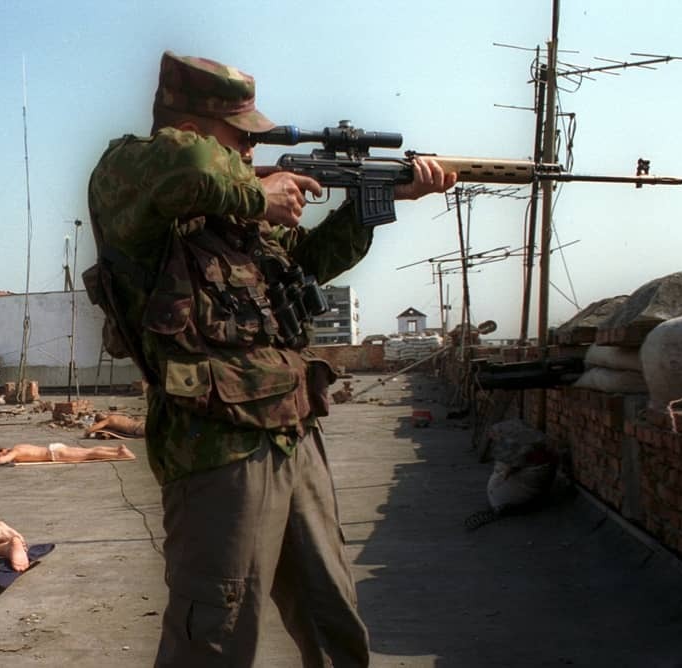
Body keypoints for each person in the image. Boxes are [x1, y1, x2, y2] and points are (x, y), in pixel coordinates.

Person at [86, 51, 455, 666]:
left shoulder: (240, 214)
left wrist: (375, 200)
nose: (252, 152)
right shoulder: (135, 176)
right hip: (214, 450)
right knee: (215, 633)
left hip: (293, 431)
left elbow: (309, 264)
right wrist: (259, 193)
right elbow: (186, 165)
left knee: (332, 614)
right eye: (242, 137)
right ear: (193, 124)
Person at [0, 442, 136, 466]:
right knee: (88, 451)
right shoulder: (18, 446)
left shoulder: (15, 451)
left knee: (89, 454)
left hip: (54, 453)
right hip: (54, 449)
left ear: (1, 451)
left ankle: (120, 454)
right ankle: (117, 450)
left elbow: (2, 461)